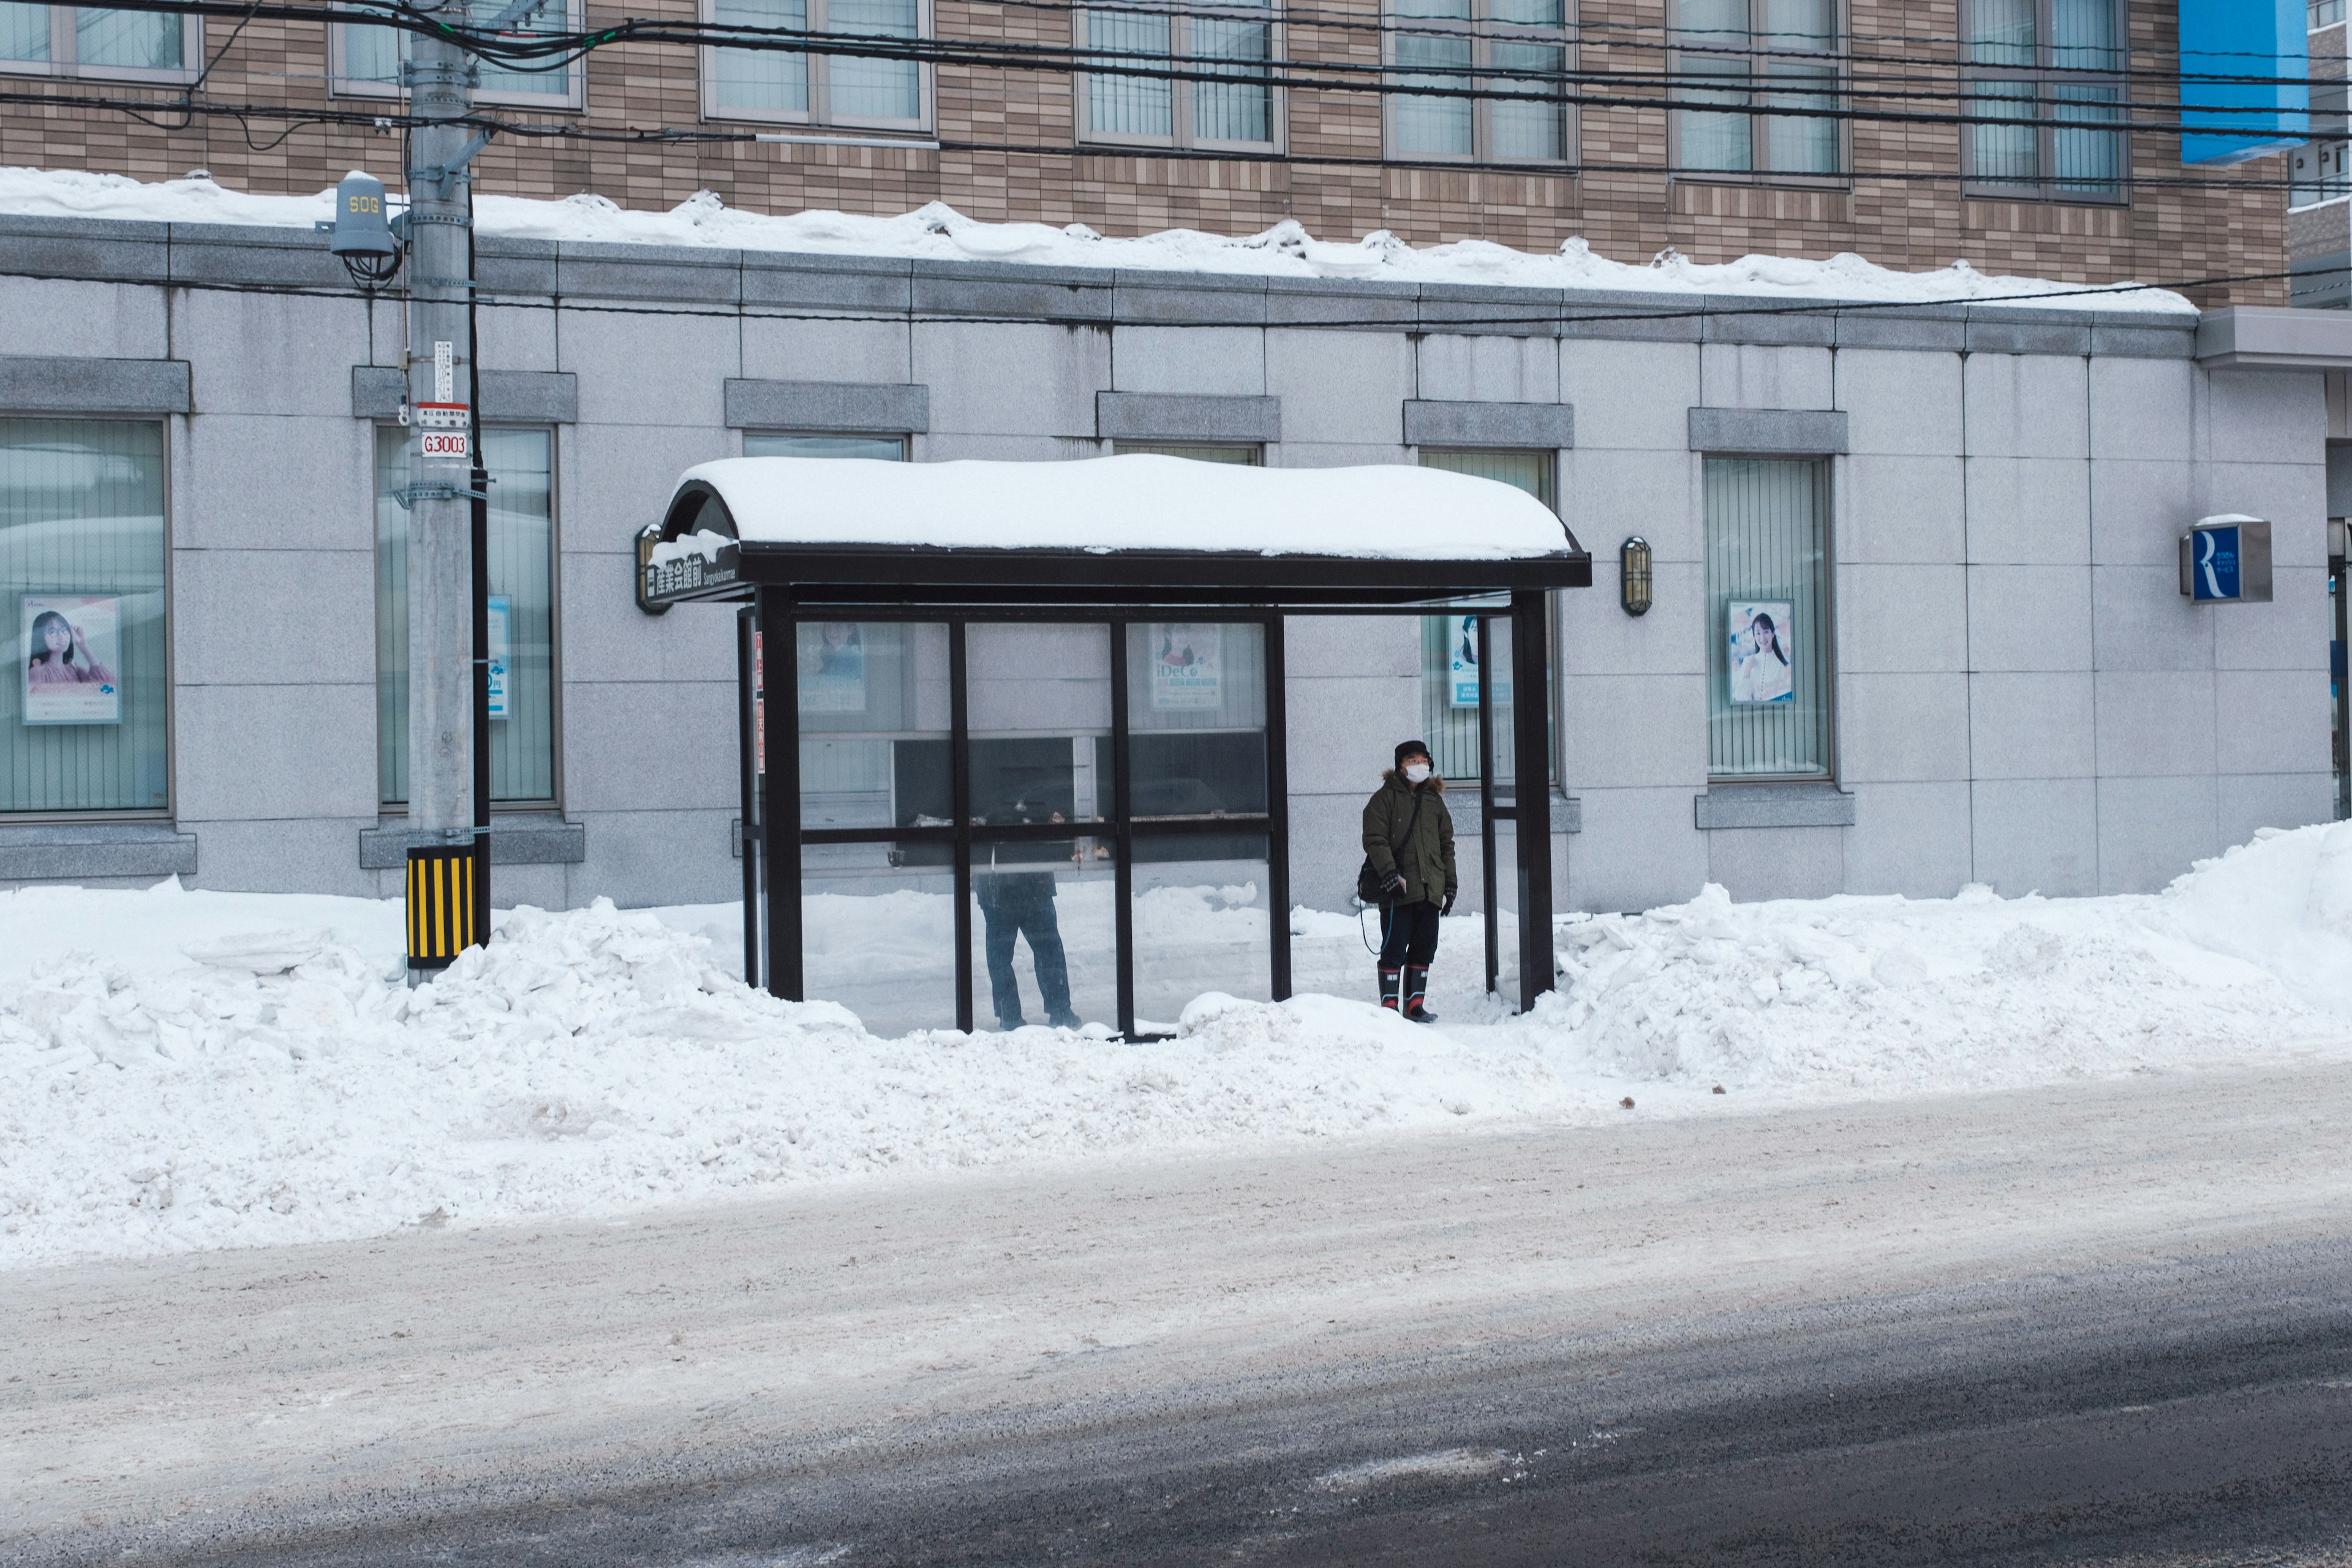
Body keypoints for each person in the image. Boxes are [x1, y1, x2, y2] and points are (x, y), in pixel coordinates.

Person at [1362, 739, 1455, 1023]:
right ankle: (1389, 1008)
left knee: (1424, 947)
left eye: (1423, 760)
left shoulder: (1434, 801)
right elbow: (1374, 840)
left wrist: (1449, 883)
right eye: (1412, 760)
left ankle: (1415, 1006)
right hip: (1398, 890)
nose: (1419, 765)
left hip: (1430, 890)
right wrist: (1390, 874)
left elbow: (1446, 845)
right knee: (1394, 948)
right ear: (1400, 765)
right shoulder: (1384, 799)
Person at [976, 869, 1081, 1030]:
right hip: (1034, 883)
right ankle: (1059, 1010)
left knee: (1000, 955)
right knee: (1048, 949)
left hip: (997, 886)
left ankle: (1009, 1014)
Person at [26, 609, 113, 688]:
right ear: (40, 638)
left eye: (64, 630)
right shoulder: (37, 673)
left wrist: (83, 647)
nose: (62, 636)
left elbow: (105, 687)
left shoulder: (75, 669)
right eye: (53, 632)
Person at [1730, 609, 1792, 704]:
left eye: (1766, 632)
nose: (1762, 638)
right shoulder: (1748, 661)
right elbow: (1740, 701)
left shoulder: (1782, 666)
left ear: (1773, 633)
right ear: (1754, 636)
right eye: (1758, 633)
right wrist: (1747, 673)